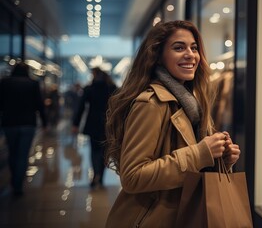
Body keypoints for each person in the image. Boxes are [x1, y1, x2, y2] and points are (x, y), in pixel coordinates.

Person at [104, 20, 241, 227]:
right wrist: (200, 153)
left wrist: (220, 159)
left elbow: (192, 167)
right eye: (179, 47)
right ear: (158, 56)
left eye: (194, 48)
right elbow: (132, 176)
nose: (190, 54)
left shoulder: (190, 102)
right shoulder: (152, 103)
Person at [0, 62, 47, 196]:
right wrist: (44, 122)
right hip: (28, 123)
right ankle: (18, 184)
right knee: (22, 154)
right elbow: (39, 104)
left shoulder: (5, 83)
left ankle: (14, 177)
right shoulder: (32, 84)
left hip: (9, 123)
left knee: (12, 152)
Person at [72, 67, 117, 188]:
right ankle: (101, 177)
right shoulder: (112, 88)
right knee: (105, 151)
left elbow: (81, 107)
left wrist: (75, 124)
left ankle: (95, 173)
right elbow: (118, 107)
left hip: (92, 123)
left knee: (94, 150)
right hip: (108, 124)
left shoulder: (89, 89)